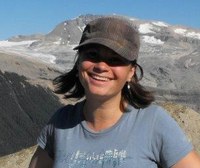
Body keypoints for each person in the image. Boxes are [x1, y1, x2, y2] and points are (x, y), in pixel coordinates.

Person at [29, 16, 200, 168]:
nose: (101, 66)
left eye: (115, 59)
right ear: (78, 61)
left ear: (131, 72)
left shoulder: (154, 123)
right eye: (93, 55)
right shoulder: (60, 123)